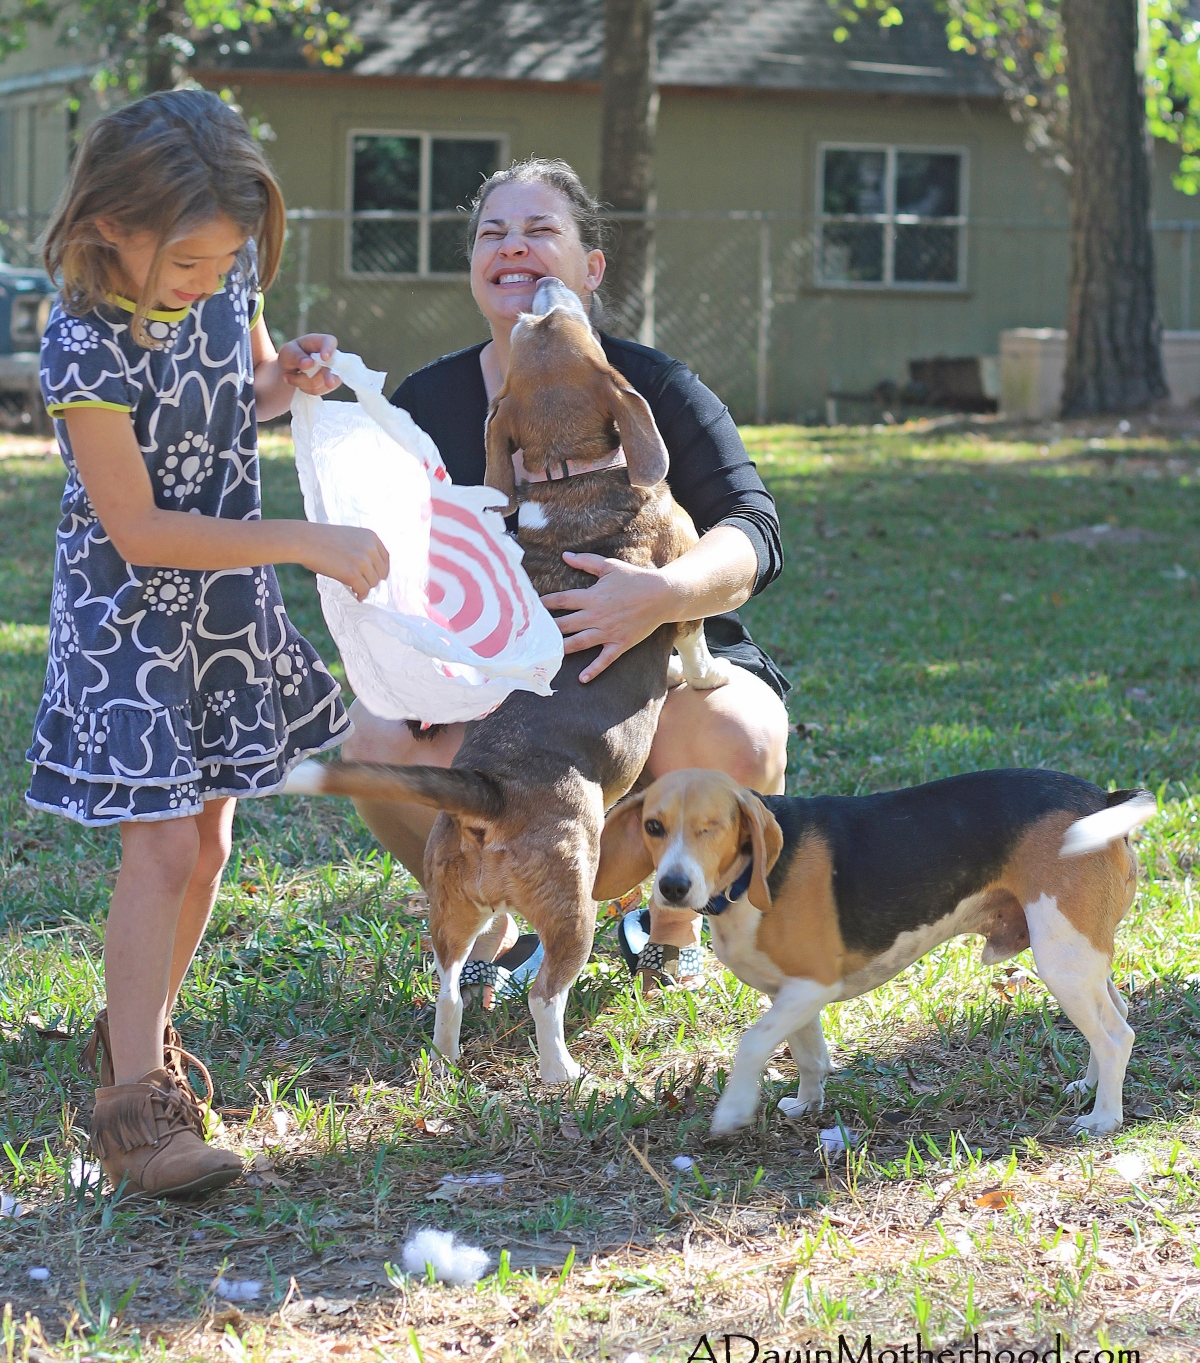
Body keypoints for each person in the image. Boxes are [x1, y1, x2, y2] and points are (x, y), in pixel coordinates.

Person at [29, 90, 388, 1200]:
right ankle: (133, 1111)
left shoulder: (227, 284)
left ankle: (141, 1040)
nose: (209, 279)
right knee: (164, 849)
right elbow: (136, 526)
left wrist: (297, 377)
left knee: (214, 842)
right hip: (131, 616)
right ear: (109, 229)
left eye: (227, 259)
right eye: (186, 260)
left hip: (220, 612)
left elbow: (254, 389)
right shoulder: (83, 341)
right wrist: (303, 542)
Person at [345, 156, 790, 995]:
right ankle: (491, 936)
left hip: (660, 661)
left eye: (540, 229)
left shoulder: (649, 385)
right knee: (373, 737)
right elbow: (395, 561)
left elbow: (755, 531)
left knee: (743, 738)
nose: (513, 246)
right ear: (474, 267)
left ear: (591, 268)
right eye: (492, 232)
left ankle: (670, 933)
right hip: (503, 681)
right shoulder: (426, 402)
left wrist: (660, 596)